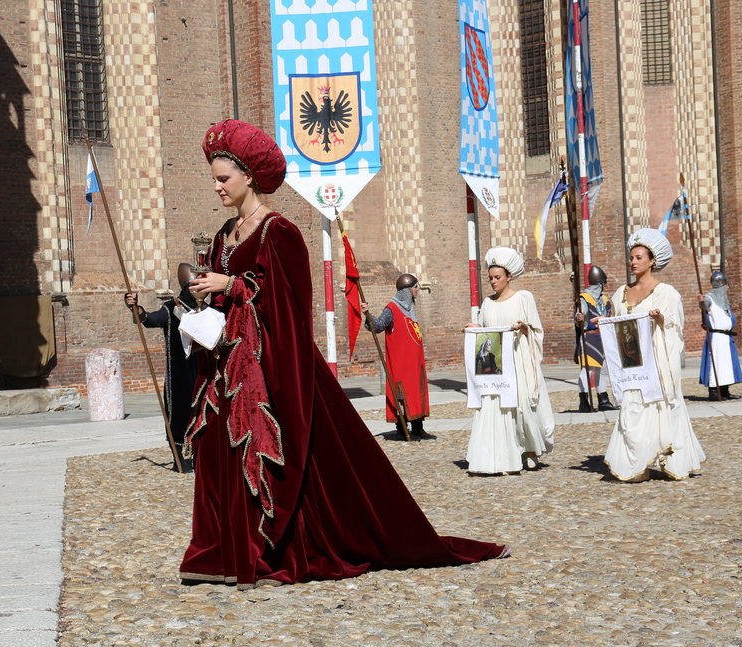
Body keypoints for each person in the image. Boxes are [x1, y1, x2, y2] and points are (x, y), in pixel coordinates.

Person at [180, 119, 508, 588]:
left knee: (273, 452)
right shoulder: (221, 237)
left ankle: (268, 548)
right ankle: (222, 552)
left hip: (268, 370)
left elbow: (290, 306)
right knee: (219, 452)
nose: (216, 187)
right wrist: (202, 296)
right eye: (213, 178)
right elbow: (224, 296)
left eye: (223, 178)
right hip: (223, 368)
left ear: (249, 175)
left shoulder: (280, 232)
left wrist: (232, 285)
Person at [599, 228, 705, 481]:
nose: (633, 262)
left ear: (652, 261)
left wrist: (660, 319)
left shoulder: (666, 292)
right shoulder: (620, 293)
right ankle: (636, 464)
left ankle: (672, 460)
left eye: (638, 258)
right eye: (631, 258)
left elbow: (675, 328)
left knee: (661, 407)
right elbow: (619, 326)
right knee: (633, 408)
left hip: (657, 364)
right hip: (633, 364)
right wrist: (604, 322)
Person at [463, 247, 555, 474]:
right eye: (490, 278)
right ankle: (503, 452)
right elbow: (488, 333)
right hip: (497, 367)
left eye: (497, 278)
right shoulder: (487, 303)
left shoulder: (523, 298)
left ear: (509, 277)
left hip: (518, 361)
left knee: (522, 406)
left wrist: (524, 328)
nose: (493, 282)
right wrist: (476, 328)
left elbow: (536, 330)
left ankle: (531, 449)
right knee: (498, 408)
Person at [123, 262, 200, 472]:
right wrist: (135, 308)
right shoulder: (172, 308)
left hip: (203, 373)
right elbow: (149, 319)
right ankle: (178, 458)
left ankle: (202, 456)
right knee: (178, 416)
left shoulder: (206, 310)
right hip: (180, 375)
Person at [360, 273, 435, 440]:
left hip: (414, 361)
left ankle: (418, 428)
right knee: (402, 394)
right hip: (401, 362)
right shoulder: (392, 308)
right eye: (415, 286)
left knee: (417, 392)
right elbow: (378, 326)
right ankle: (402, 428)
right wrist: (367, 314)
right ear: (406, 290)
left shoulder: (409, 308)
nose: (418, 289)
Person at [573, 265, 618, 413]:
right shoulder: (584, 298)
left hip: (603, 336)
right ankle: (584, 401)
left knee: (600, 370)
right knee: (587, 369)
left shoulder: (605, 300)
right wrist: (579, 318)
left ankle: (603, 399)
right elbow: (580, 316)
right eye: (603, 283)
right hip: (590, 337)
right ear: (600, 283)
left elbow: (609, 316)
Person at [698, 270, 742, 400]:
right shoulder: (710, 298)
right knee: (716, 363)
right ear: (722, 286)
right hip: (716, 337)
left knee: (726, 364)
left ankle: (724, 391)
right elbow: (704, 305)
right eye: (726, 285)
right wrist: (701, 301)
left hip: (726, 337)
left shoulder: (724, 302)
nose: (728, 287)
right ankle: (713, 392)